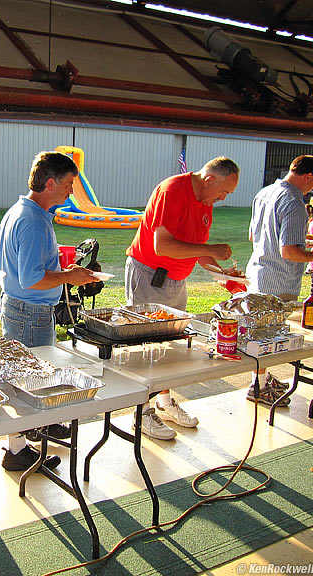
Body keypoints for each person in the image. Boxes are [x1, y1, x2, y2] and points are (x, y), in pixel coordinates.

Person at [124, 157, 240, 440]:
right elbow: (162, 246)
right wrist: (211, 248)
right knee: (146, 344)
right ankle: (141, 413)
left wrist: (223, 273)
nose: (223, 199)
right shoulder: (173, 190)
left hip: (176, 280)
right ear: (210, 179)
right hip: (150, 276)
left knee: (171, 345)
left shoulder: (205, 204)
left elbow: (194, 250)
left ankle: (163, 403)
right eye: (224, 192)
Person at [0, 151, 97, 470]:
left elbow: (33, 269)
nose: (71, 191)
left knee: (28, 376)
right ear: (51, 182)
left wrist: (63, 269)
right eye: (68, 184)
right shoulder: (33, 220)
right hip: (29, 313)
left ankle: (40, 426)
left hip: (22, 309)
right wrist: (69, 276)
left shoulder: (23, 210)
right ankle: (17, 450)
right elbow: (32, 278)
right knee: (27, 381)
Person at [246, 155, 313, 405]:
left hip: (259, 271)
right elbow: (289, 251)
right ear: (308, 176)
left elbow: (254, 235)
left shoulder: (266, 192)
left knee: (258, 333)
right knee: (268, 338)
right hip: (279, 280)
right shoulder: (294, 202)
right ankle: (258, 386)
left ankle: (261, 379)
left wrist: (306, 242)